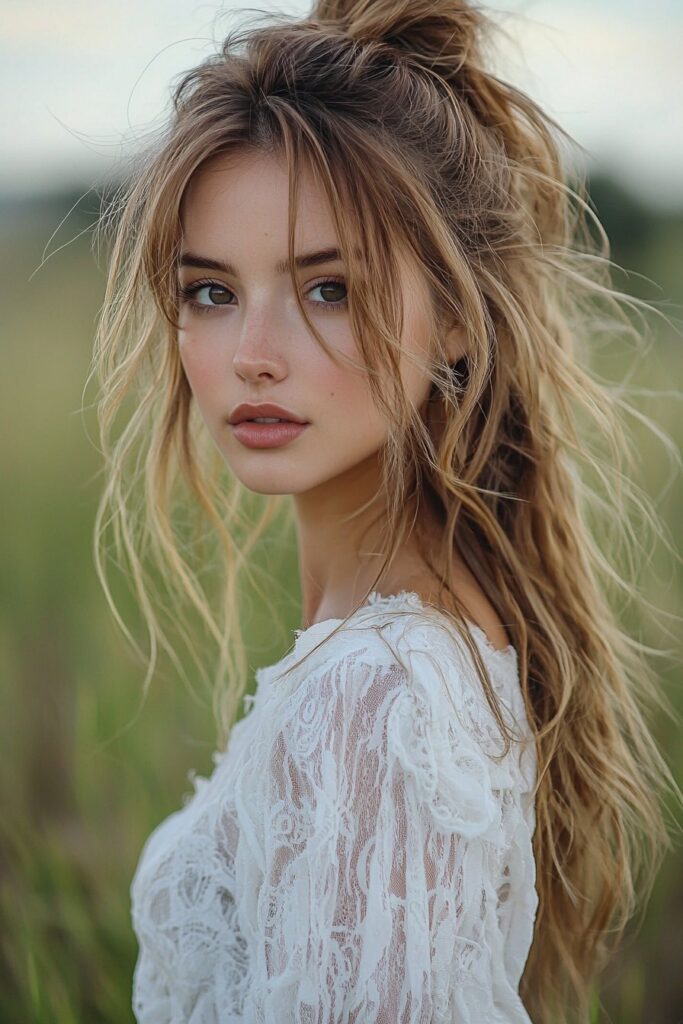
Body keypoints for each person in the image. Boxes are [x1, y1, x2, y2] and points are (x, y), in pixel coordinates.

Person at [90, 1, 681, 1021]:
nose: (251, 355)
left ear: (455, 317)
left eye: (327, 289)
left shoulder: (378, 698)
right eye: (210, 292)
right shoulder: (393, 654)